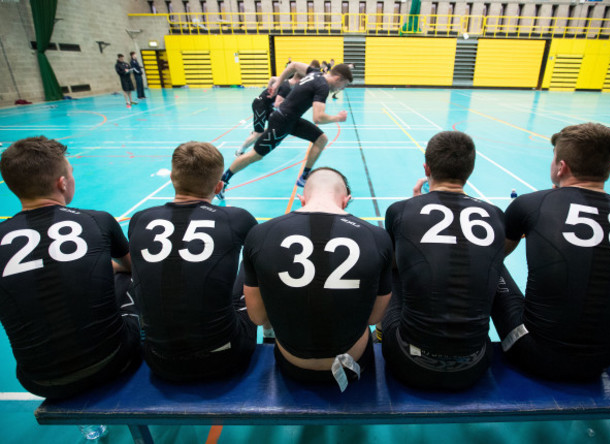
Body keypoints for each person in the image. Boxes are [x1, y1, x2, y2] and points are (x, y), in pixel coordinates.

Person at [491, 123, 610, 381]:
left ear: (561, 166)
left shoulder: (531, 204)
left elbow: (495, 256)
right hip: (603, 361)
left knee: (491, 262)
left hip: (534, 355)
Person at [0, 136, 142, 399]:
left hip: (38, 380)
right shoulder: (96, 220)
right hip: (114, 360)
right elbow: (135, 267)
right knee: (130, 279)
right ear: (62, 183)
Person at [243, 167, 392, 391]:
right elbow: (374, 318)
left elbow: (257, 316)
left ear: (302, 200)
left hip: (291, 365)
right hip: (353, 364)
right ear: (346, 200)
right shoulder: (377, 236)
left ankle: (270, 336)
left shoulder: (261, 233)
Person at [381, 131, 505, 390]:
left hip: (408, 362)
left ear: (426, 169)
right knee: (492, 264)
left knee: (392, 266)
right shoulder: (495, 214)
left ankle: (381, 333)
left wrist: (413, 214)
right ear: (469, 171)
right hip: (475, 364)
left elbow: (395, 264)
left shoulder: (400, 210)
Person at [128, 141, 258, 382]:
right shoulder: (238, 218)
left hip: (159, 360)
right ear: (219, 186)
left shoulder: (140, 219)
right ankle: (272, 340)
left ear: (172, 179)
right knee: (252, 269)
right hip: (226, 357)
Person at [218, 62, 352, 199]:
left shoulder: (315, 73)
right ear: (338, 79)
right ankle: (223, 181)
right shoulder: (322, 87)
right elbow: (318, 118)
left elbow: (293, 65)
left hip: (291, 119)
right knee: (255, 155)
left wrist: (277, 83)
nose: (342, 88)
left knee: (321, 139)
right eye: (344, 84)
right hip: (282, 122)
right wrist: (338, 117)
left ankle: (304, 176)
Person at [235, 72, 304, 157]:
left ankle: (255, 132)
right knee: (258, 133)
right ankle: (240, 151)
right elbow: (277, 104)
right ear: (298, 80)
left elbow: (272, 78)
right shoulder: (286, 88)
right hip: (260, 105)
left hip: (267, 106)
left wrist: (269, 88)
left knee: (278, 123)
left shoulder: (284, 81)